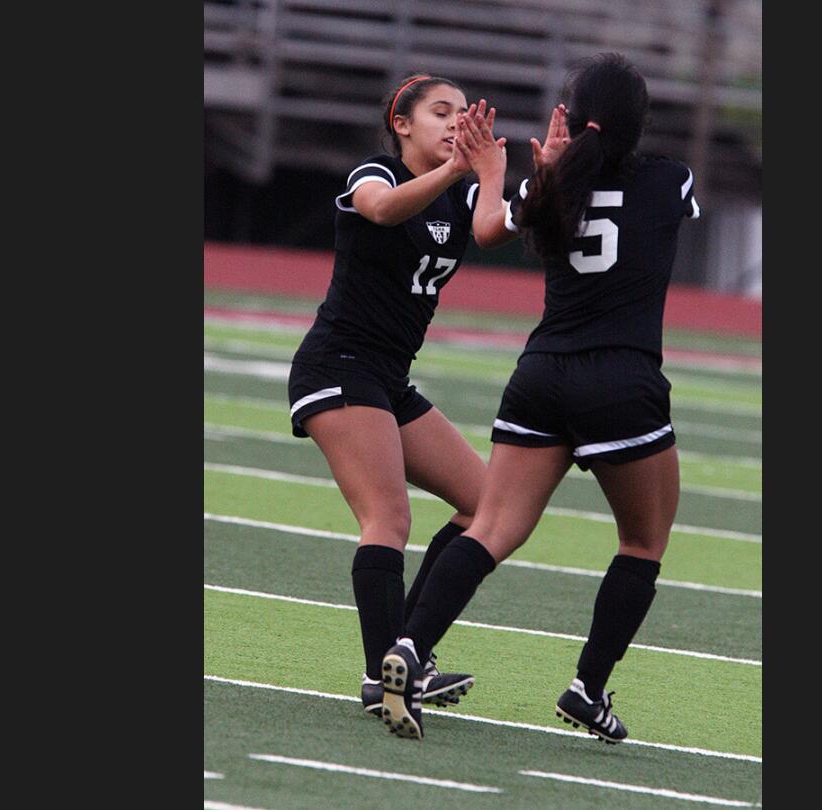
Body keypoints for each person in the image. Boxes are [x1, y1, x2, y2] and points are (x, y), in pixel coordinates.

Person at [375, 54, 701, 743]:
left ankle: (408, 646)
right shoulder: (672, 179)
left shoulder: (547, 185)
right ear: (639, 123)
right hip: (622, 379)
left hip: (542, 372)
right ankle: (588, 687)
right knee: (643, 540)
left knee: (491, 527)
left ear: (570, 118)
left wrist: (525, 171)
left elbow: (493, 228)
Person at [286, 75, 509, 718]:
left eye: (462, 116)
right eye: (440, 112)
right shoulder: (376, 170)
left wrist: (507, 171)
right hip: (339, 363)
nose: (453, 123)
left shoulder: (462, 188)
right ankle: (379, 674)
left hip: (388, 375)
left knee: (485, 505)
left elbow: (498, 226)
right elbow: (381, 210)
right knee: (389, 519)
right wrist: (460, 170)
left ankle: (405, 652)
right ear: (402, 123)